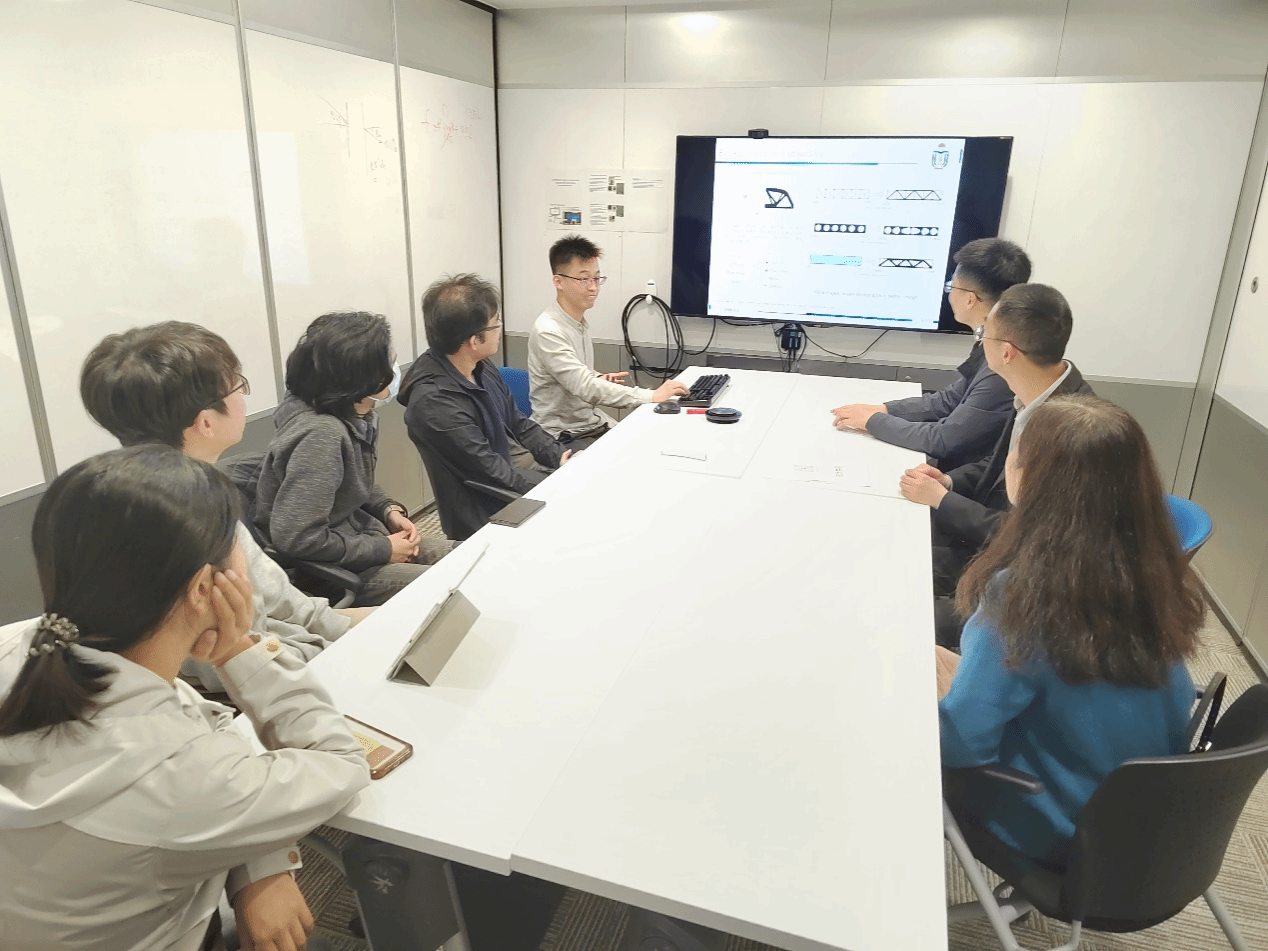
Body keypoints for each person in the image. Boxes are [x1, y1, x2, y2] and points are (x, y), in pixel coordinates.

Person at [0, 445, 371, 950]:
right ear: (203, 589)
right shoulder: (182, 777)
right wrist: (238, 649)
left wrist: (257, 863)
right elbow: (341, 762)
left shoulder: (31, 645)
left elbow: (199, 726)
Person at [935, 396, 1202, 866]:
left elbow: (960, 748)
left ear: (1034, 481)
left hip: (1057, 823)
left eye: (1016, 454)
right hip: (1143, 815)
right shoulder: (1152, 573)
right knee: (938, 661)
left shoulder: (1022, 593)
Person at [80, 321, 369, 691]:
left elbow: (291, 606)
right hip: (257, 690)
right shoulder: (171, 525)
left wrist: (369, 626)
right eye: (238, 386)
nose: (244, 397)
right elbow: (224, 660)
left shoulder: (202, 493)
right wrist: (335, 652)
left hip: (286, 658)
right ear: (205, 422)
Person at [898, 283, 1094, 595]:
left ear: (1006, 352)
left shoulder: (1073, 434)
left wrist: (941, 499)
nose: (980, 342)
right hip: (988, 539)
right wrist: (948, 481)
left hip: (1019, 578)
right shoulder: (1035, 393)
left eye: (983, 334)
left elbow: (1029, 537)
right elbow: (998, 466)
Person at [254, 312, 447, 607]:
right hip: (334, 572)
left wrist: (387, 509)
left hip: (359, 538)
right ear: (361, 378)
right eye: (388, 363)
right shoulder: (321, 435)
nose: (394, 370)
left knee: (471, 557)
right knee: (455, 585)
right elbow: (297, 538)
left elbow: (350, 482)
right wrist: (383, 549)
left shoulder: (354, 413)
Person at [831, 238, 1030, 471]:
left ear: (970, 299)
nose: (949, 294)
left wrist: (873, 421)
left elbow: (944, 439)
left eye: (951, 287)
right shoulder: (991, 342)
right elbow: (948, 401)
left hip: (963, 476)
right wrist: (884, 410)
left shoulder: (1001, 363)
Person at [400, 274, 572, 540]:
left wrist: (561, 457)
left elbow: (518, 423)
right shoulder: (434, 402)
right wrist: (559, 483)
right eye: (495, 324)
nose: (500, 329)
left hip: (514, 480)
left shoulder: (479, 365)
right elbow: (492, 473)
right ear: (473, 340)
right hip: (487, 511)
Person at [528, 234, 688, 448]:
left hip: (590, 423)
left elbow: (578, 376)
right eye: (584, 279)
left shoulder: (577, 322)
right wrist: (652, 395)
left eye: (596, 278)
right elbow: (585, 387)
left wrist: (597, 377)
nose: (593, 287)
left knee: (651, 441)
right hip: (563, 434)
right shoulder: (549, 331)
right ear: (559, 282)